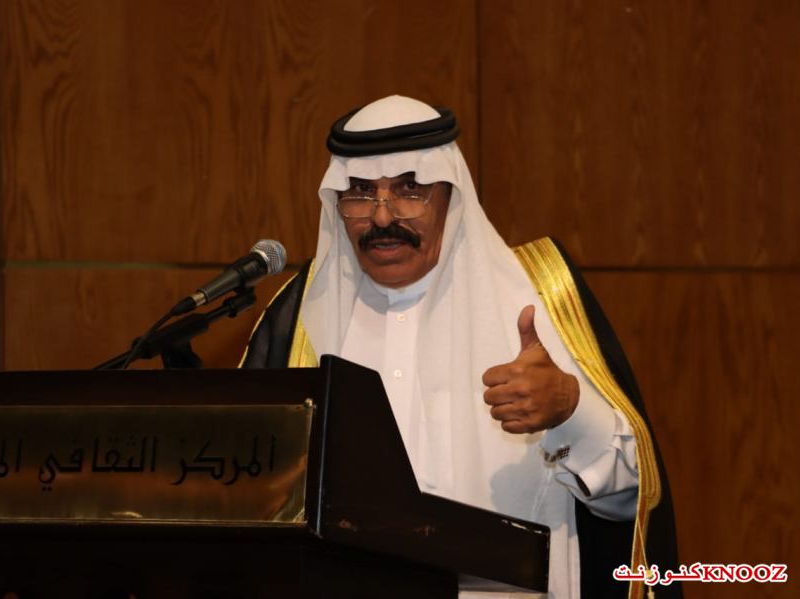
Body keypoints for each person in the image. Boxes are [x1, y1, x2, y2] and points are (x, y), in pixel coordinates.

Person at [242, 95, 679, 598]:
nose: (381, 217)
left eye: (410, 190)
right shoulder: (302, 318)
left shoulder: (540, 297)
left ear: (452, 194)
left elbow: (631, 503)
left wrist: (570, 410)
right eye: (360, 192)